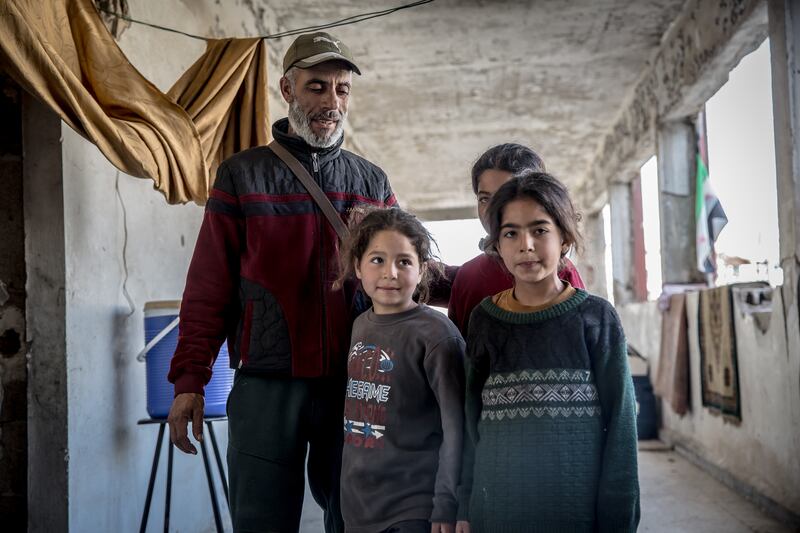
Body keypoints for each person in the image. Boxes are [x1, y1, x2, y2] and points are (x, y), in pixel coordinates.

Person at [166, 31, 395, 533]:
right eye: (317, 87)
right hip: (267, 384)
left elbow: (406, 271)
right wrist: (190, 381)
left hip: (353, 383)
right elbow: (209, 289)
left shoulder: (372, 182)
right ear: (288, 90)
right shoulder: (241, 176)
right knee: (260, 521)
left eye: (341, 89)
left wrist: (503, 278)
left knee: (358, 519)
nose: (331, 102)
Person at [456, 172, 640, 532]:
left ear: (564, 237)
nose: (525, 245)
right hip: (498, 513)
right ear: (497, 244)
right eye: (510, 233)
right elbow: (470, 420)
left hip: (577, 512)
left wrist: (619, 519)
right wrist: (466, 502)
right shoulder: (484, 320)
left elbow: (621, 426)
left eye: (540, 230)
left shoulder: (596, 319)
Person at [336, 208, 465, 533]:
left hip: (415, 506)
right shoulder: (360, 326)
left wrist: (448, 503)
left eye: (404, 262)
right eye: (377, 260)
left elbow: (457, 429)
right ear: (357, 267)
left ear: (422, 270)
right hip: (359, 505)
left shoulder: (437, 335)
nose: (390, 273)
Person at [448, 144, 584, 336]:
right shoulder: (468, 277)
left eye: (506, 195)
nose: (493, 210)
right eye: (484, 199)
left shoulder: (563, 273)